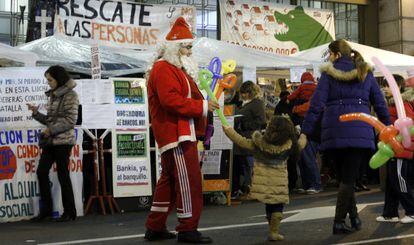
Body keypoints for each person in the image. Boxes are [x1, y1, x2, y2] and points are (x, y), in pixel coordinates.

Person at [300, 39, 390, 234]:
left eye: (330, 54)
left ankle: (349, 219)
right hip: (360, 129)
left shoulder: (327, 75)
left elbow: (315, 105)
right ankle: (343, 220)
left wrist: (305, 132)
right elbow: (380, 103)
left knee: (344, 178)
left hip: (334, 130)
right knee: (348, 179)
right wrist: (388, 126)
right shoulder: (366, 73)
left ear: (337, 55)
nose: (329, 58)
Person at [144, 17, 218, 244]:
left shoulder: (172, 68)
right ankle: (187, 228)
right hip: (176, 133)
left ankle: (155, 226)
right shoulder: (164, 68)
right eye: (187, 46)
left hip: (177, 131)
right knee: (189, 180)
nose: (189, 51)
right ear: (176, 48)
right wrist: (203, 106)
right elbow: (170, 100)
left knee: (169, 180)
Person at [223, 115, 303, 241]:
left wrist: (228, 130)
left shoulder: (259, 144)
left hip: (263, 184)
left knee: (269, 205)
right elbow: (301, 145)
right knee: (278, 207)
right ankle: (274, 231)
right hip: (279, 184)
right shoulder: (289, 146)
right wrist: (304, 136)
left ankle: (272, 229)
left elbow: (241, 141)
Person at [27, 65, 79, 222]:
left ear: (59, 79)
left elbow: (71, 121)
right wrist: (36, 113)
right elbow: (50, 120)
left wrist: (50, 131)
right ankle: (47, 210)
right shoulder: (54, 96)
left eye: (50, 79)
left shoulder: (71, 95)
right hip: (51, 141)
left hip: (63, 142)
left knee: (63, 175)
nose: (48, 82)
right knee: (42, 172)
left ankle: (70, 212)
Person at [376, 74, 414, 224]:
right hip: (393, 148)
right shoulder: (393, 104)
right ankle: (390, 213)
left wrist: (401, 142)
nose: (384, 88)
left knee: (399, 180)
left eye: (387, 85)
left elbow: (409, 125)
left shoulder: (402, 104)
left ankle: (411, 211)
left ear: (397, 86)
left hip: (401, 149)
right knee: (392, 182)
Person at [232, 81, 265, 198]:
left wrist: (245, 125)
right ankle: (248, 189)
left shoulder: (257, 104)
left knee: (251, 167)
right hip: (243, 139)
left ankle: (253, 190)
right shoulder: (246, 103)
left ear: (251, 92)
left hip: (251, 139)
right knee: (246, 167)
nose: (243, 95)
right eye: (242, 93)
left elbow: (261, 121)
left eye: (245, 92)